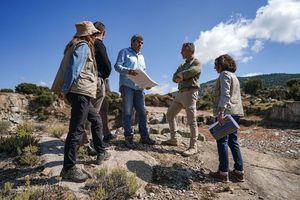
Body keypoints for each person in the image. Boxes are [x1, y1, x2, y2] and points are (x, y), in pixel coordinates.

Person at [51, 21, 110, 182]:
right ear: (89, 34)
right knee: (76, 129)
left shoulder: (75, 44)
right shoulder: (83, 45)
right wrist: (65, 89)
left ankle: (101, 150)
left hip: (80, 92)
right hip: (80, 91)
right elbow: (74, 68)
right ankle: (68, 168)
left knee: (96, 119)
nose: (95, 36)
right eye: (94, 33)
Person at [114, 34, 155, 149]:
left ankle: (144, 137)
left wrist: (147, 84)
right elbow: (117, 66)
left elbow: (143, 72)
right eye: (138, 42)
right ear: (132, 42)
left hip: (139, 88)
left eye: (142, 43)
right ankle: (129, 137)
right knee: (127, 112)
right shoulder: (124, 52)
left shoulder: (142, 57)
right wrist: (129, 71)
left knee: (142, 112)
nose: (140, 45)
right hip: (127, 86)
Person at [161, 43, 201, 157]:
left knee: (191, 120)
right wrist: (181, 76)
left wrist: (182, 75)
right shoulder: (182, 65)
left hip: (190, 92)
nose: (180, 53)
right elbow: (174, 78)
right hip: (180, 93)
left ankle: (193, 146)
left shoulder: (197, 62)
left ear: (189, 50)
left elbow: (191, 72)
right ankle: (174, 139)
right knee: (169, 115)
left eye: (182, 50)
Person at [209, 54, 244, 183]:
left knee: (222, 141)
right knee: (233, 141)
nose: (214, 67)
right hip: (235, 112)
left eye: (215, 64)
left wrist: (221, 111)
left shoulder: (224, 74)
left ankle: (223, 173)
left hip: (226, 112)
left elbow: (225, 94)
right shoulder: (234, 76)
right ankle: (239, 172)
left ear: (221, 64)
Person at [82, 21, 113, 154]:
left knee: (89, 112)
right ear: (103, 33)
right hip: (97, 81)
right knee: (93, 114)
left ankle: (85, 140)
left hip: (87, 81)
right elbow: (106, 65)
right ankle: (85, 143)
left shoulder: (85, 44)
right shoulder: (98, 43)